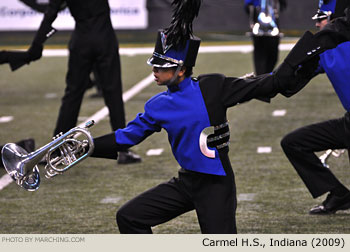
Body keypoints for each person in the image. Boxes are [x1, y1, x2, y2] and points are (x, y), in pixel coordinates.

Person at [89, 0, 346, 233]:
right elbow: (126, 138)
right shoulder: (157, 105)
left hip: (217, 186)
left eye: (162, 66)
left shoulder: (213, 88)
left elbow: (270, 84)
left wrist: (310, 47)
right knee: (129, 217)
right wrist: (88, 146)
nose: (155, 71)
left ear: (181, 70)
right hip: (185, 182)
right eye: (154, 65)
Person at [21, 0, 141, 164]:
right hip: (104, 38)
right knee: (113, 93)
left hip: (81, 40)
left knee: (72, 95)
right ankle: (122, 149)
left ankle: (57, 150)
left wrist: (36, 45)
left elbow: (51, 13)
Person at [281, 0, 350, 215]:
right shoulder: (325, 49)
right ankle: (339, 194)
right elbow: (296, 73)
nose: (318, 24)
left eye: (321, 18)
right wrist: (257, 84)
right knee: (293, 143)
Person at [244, 0, 287, 75]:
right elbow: (248, 6)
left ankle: (265, 79)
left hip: (273, 28)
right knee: (260, 58)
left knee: (273, 57)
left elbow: (283, 5)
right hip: (258, 29)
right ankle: (261, 80)